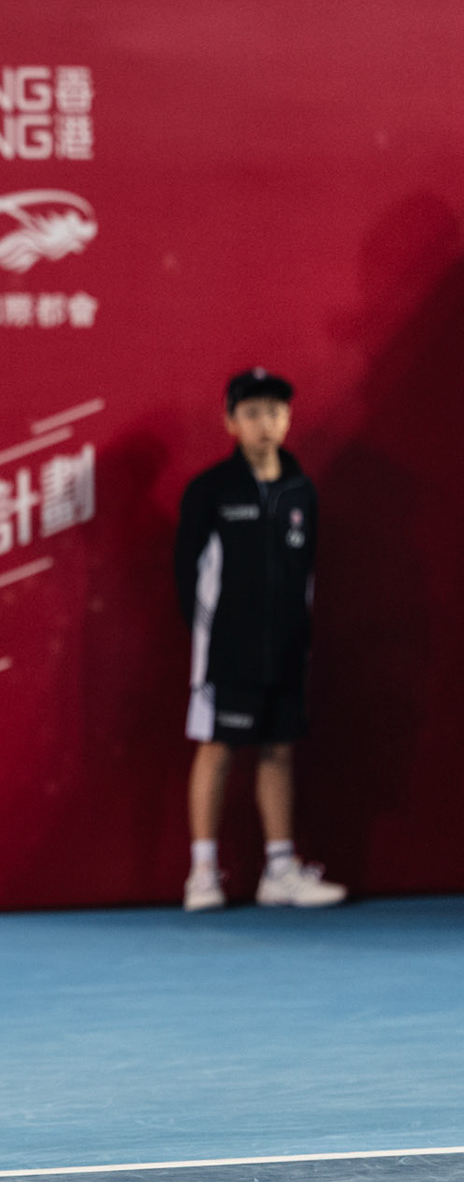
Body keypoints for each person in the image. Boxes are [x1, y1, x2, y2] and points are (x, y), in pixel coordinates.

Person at [173, 367, 345, 911]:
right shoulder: (210, 492)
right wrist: (212, 640)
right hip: (226, 653)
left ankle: (279, 869)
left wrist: (300, 638)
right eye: (252, 413)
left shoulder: (301, 492)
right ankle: (202, 872)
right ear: (231, 422)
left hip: (288, 648)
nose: (265, 423)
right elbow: (186, 573)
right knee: (217, 748)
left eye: (275, 411)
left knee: (279, 749)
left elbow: (308, 574)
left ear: (288, 418)